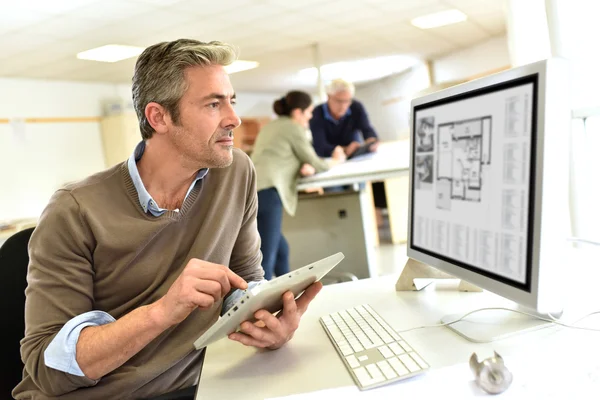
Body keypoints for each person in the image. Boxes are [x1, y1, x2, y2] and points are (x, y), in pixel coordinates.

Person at [13, 39, 323, 400]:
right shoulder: (75, 210)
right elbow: (48, 371)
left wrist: (269, 323)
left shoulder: (235, 171)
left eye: (231, 101)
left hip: (198, 385)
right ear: (158, 117)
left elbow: (246, 282)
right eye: (213, 104)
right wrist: (161, 313)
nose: (234, 118)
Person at [250, 91, 345, 280]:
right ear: (297, 112)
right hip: (269, 193)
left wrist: (301, 165)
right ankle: (263, 306)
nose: (310, 116)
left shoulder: (271, 126)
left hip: (252, 192)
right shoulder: (293, 128)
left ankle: (288, 295)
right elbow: (317, 163)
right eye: (308, 112)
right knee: (265, 262)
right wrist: (337, 160)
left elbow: (280, 155)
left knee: (281, 251)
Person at [309, 78, 379, 158]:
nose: (343, 106)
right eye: (339, 101)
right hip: (331, 158)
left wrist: (371, 142)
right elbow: (320, 146)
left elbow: (367, 129)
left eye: (347, 101)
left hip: (355, 155)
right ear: (328, 97)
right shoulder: (316, 113)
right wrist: (345, 149)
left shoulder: (356, 107)